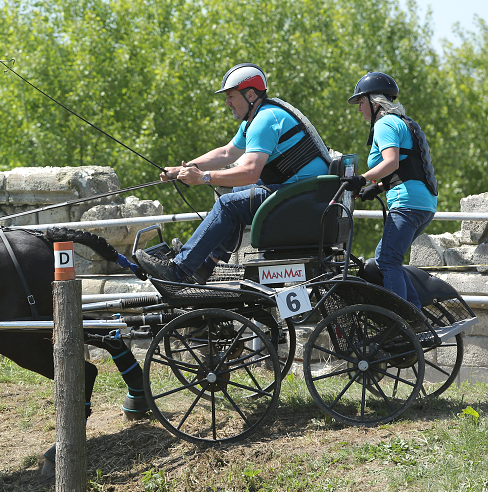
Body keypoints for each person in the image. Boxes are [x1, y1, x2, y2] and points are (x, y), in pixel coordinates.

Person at [134, 63, 330, 284]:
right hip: (304, 196)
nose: (227, 103)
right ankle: (206, 261)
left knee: (229, 204)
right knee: (238, 192)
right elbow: (227, 153)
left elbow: (249, 173)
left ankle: (180, 269)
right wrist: (184, 168)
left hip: (302, 200)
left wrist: (203, 178)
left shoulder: (264, 121)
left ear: (250, 94)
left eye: (230, 96)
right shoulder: (259, 116)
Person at [343, 72, 438, 309]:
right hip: (424, 204)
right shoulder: (404, 122)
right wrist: (378, 187)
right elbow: (408, 168)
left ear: (375, 104)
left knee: (386, 260)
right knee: (387, 258)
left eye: (361, 102)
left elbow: (391, 162)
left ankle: (405, 320)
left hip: (406, 204)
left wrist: (362, 179)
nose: (359, 109)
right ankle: (414, 313)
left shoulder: (384, 123)